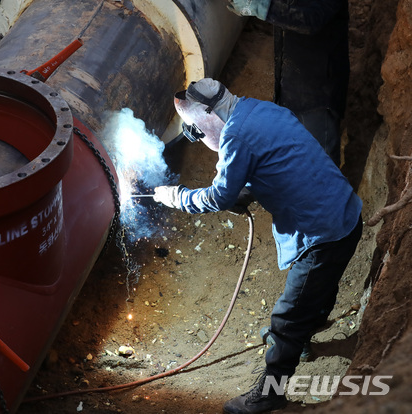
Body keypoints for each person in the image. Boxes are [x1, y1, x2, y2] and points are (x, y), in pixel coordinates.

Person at [153, 78, 362, 414]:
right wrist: (247, 191)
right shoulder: (260, 108)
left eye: (194, 131)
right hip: (345, 214)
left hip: (323, 234)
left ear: (207, 116)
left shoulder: (235, 135)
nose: (198, 139)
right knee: (316, 292)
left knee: (288, 315)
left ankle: (269, 394)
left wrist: (176, 197)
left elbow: (219, 195)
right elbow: (280, 160)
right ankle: (300, 338)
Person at [225, 0, 349, 166]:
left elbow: (312, 18)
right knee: (293, 159)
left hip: (318, 90)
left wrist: (260, 7)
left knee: (321, 166)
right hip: (290, 83)